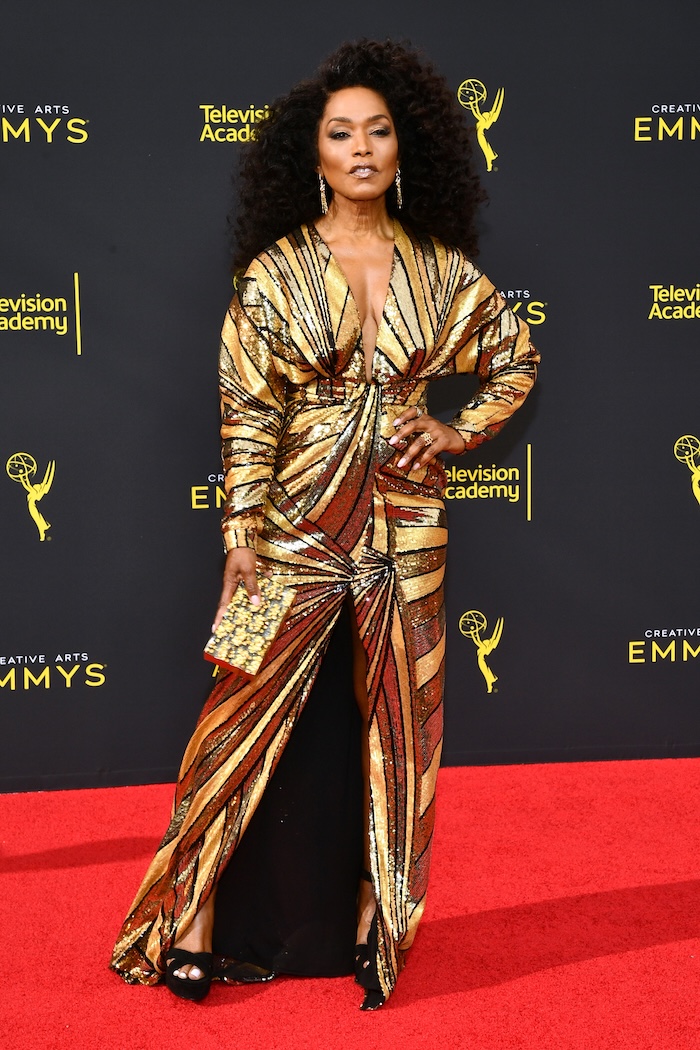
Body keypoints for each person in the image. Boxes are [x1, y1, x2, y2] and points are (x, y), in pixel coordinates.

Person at [110, 38, 539, 1010]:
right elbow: (249, 415)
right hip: (296, 523)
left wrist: (453, 427)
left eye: (377, 132)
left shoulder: (437, 271)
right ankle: (189, 914)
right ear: (311, 155)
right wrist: (239, 536)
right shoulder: (273, 275)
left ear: (403, 150)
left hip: (407, 530)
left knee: (401, 722)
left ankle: (374, 915)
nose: (359, 148)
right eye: (340, 133)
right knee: (236, 710)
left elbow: (512, 359)